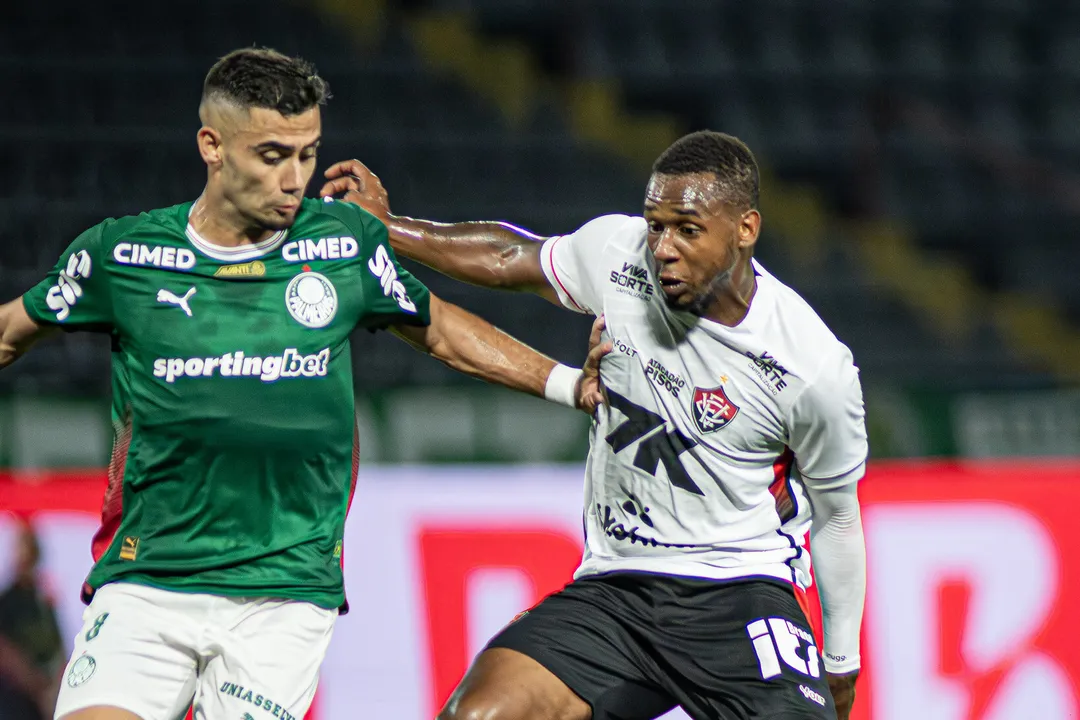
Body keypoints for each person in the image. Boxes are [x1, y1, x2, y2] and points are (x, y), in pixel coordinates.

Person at [0, 48, 606, 720]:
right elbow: (9, 333)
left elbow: (439, 330)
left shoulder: (340, 242)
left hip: (283, 591)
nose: (294, 179)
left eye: (308, 153)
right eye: (271, 155)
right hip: (148, 578)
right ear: (213, 146)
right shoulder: (124, 255)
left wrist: (570, 384)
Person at [321, 130, 868, 720]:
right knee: (477, 716)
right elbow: (511, 258)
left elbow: (837, 519)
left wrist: (841, 666)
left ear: (745, 229)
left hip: (739, 589)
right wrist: (390, 228)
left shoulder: (811, 367)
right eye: (655, 224)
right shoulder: (619, 254)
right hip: (616, 587)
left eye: (687, 229)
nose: (662, 247)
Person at [0, 521, 65, 720]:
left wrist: (53, 687)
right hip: (15, 699)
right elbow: (5, 650)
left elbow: (58, 644)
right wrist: (34, 684)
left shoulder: (44, 599)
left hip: (45, 696)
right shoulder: (8, 599)